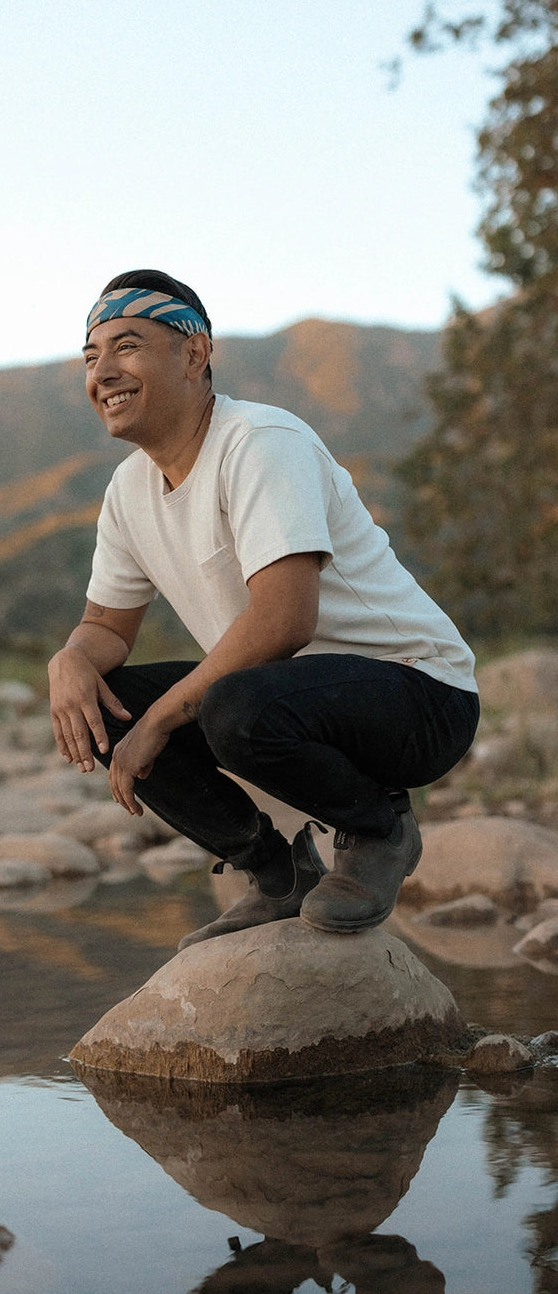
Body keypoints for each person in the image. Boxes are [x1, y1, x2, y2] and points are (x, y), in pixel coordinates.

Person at [48, 269, 479, 947]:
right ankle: (276, 875)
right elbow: (106, 626)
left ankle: (378, 828)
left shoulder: (259, 442)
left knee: (229, 706)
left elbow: (284, 621)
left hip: (419, 695)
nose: (103, 371)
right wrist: (71, 660)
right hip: (296, 696)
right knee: (109, 700)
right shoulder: (127, 491)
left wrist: (160, 722)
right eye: (90, 356)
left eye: (126, 346)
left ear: (194, 353)